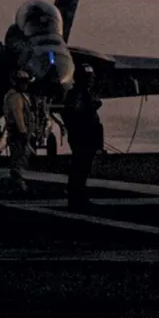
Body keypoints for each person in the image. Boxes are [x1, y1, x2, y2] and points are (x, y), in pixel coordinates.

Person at [62, 64, 103, 210]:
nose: (92, 80)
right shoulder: (79, 94)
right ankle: (77, 198)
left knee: (81, 168)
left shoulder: (79, 93)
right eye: (89, 77)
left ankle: (78, 197)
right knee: (80, 167)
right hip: (83, 138)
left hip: (84, 137)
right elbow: (77, 115)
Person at [2, 70, 35, 193]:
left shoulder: (16, 95)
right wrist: (23, 133)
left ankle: (18, 184)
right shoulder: (15, 97)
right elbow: (18, 116)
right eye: (22, 82)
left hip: (17, 133)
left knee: (19, 159)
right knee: (19, 159)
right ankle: (18, 185)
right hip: (18, 134)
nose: (25, 85)